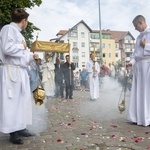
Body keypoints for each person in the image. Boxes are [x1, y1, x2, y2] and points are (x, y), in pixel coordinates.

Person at [0, 8, 37, 144]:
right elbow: (7, 48)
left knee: (23, 100)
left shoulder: (19, 35)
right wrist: (22, 47)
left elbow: (23, 55)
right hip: (11, 71)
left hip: (20, 71)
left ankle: (21, 126)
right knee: (12, 102)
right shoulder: (8, 29)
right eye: (26, 21)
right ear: (24, 20)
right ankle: (12, 131)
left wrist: (32, 56)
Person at [127, 15, 150, 126]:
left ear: (141, 22)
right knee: (138, 92)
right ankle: (137, 117)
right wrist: (131, 62)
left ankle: (147, 118)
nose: (135, 29)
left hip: (148, 65)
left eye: (136, 26)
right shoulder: (138, 38)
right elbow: (135, 55)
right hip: (139, 68)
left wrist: (146, 46)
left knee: (147, 92)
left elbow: (145, 49)